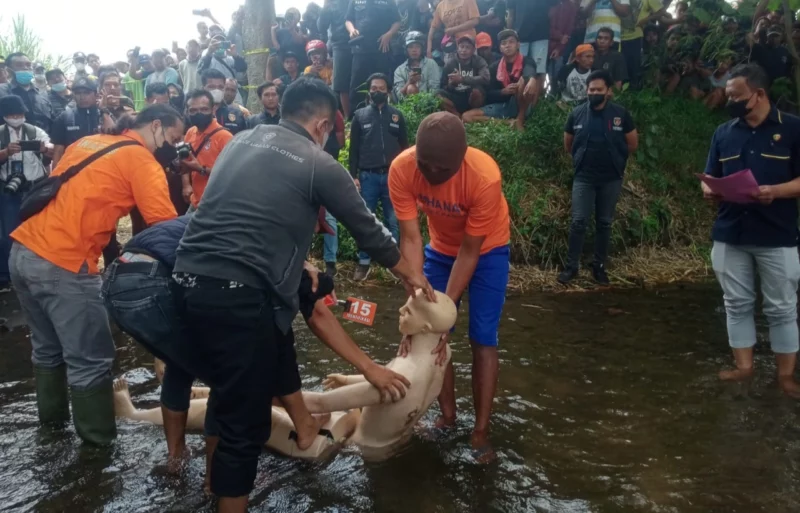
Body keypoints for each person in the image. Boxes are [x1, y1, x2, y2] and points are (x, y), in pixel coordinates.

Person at [170, 77, 432, 512]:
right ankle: (229, 496)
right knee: (244, 429)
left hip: (186, 282)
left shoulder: (239, 141)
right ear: (323, 124)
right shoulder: (317, 161)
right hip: (240, 297)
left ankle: (211, 490)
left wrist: (299, 261)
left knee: (227, 391)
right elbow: (368, 230)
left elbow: (235, 214)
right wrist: (410, 275)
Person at [9, 104, 181, 445]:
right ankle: (98, 452)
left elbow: (76, 191)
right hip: (64, 262)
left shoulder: (88, 142)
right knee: (90, 361)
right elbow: (166, 227)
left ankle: (52, 437)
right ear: (157, 126)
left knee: (47, 351)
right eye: (171, 139)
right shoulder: (142, 161)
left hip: (23, 252)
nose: (170, 147)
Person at [388, 111, 510, 462]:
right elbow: (410, 238)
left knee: (482, 337)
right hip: (440, 250)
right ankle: (448, 416)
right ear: (415, 153)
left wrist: (444, 312)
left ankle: (481, 431)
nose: (433, 174)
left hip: (487, 251)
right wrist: (417, 307)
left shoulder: (483, 176)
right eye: (426, 165)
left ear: (461, 158)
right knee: (430, 336)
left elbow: (471, 251)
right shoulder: (402, 168)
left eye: (444, 169)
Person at [701, 64, 800, 396]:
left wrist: (776, 191)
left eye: (736, 96)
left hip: (776, 232)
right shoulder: (724, 132)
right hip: (731, 230)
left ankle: (786, 377)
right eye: (728, 95)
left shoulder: (793, 130)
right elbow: (710, 174)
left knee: (782, 306)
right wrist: (709, 190)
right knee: (736, 302)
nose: (730, 101)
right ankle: (744, 367)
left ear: (759, 94)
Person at [302, 289, 459, 459]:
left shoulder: (400, 378)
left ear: (425, 327)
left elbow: (318, 403)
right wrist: (347, 380)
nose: (400, 310)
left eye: (408, 311)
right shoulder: (443, 355)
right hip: (403, 438)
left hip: (365, 450)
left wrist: (272, 391)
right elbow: (381, 381)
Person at [559, 69, 638, 285]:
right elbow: (569, 144)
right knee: (578, 222)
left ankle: (599, 267)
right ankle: (571, 267)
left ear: (608, 92)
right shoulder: (576, 113)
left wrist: (616, 159)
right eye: (591, 89)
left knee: (604, 223)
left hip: (611, 177)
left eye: (598, 90)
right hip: (584, 177)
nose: (594, 93)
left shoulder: (620, 114)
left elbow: (632, 144)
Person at [350, 73, 409, 282]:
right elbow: (353, 150)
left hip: (393, 177)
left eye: (381, 88)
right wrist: (353, 175)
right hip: (368, 177)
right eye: (373, 88)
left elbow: (405, 148)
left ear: (388, 90)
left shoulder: (397, 116)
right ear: (369, 91)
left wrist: (406, 175)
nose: (377, 91)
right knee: (366, 221)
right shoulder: (359, 116)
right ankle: (363, 263)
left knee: (393, 221)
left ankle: (394, 265)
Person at [0, 95, 52, 291]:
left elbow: (51, 150)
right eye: (12, 114)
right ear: (4, 116)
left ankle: (40, 272)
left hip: (34, 187)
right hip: (9, 189)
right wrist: (5, 152)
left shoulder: (35, 131)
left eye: (19, 113)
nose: (16, 117)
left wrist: (45, 150)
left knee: (40, 231)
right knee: (8, 234)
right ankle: (8, 276)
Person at [462, 29, 537, 131]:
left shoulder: (526, 60)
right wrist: (503, 92)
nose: (507, 45)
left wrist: (532, 79)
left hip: (522, 104)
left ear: (518, 45)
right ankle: (508, 122)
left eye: (511, 42)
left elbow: (530, 69)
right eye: (504, 43)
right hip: (503, 105)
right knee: (466, 116)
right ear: (500, 48)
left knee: (524, 80)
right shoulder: (494, 67)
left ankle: (520, 119)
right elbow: (488, 93)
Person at [180, 89, 234, 212]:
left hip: (216, 205)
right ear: (187, 112)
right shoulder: (190, 132)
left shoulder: (224, 137)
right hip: (196, 201)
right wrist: (186, 185)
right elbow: (185, 161)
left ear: (213, 109)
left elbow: (231, 174)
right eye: (193, 110)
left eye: (204, 109)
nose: (199, 114)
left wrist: (200, 169)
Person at [345, 0, 401, 111]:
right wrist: (352, 30)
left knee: (382, 83)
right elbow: (348, 20)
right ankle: (354, 117)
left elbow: (397, 22)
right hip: (360, 50)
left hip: (381, 49)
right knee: (357, 85)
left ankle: (383, 113)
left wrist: (389, 34)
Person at [50, 78, 102, 166]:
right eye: (78, 93)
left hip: (101, 167)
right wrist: (55, 178)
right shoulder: (64, 117)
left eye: (86, 93)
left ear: (96, 95)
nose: (82, 97)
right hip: (73, 169)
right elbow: (58, 152)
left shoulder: (104, 116)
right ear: (73, 95)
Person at [507, 0, 555, 93]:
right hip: (520, 35)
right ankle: (516, 100)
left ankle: (536, 103)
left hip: (541, 34)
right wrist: (510, 35)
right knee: (518, 69)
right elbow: (510, 14)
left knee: (539, 70)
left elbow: (553, 10)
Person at [0, 53, 54, 134]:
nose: (25, 68)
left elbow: (51, 122)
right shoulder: (2, 92)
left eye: (28, 65)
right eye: (19, 65)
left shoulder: (42, 95)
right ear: (9, 70)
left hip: (44, 143)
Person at [438, 34, 490, 116]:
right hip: (456, 95)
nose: (464, 50)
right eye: (461, 47)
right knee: (438, 94)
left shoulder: (479, 61)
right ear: (457, 48)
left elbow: (486, 78)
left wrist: (463, 79)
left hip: (472, 95)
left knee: (477, 92)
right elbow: (442, 86)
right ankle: (456, 115)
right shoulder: (450, 63)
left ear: (473, 50)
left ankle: (472, 114)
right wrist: (451, 84)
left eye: (467, 47)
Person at [619, 0, 664, 89]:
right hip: (618, 37)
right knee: (621, 68)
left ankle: (634, 94)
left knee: (635, 68)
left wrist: (646, 19)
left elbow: (661, 11)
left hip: (635, 37)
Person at [319, 0, 353, 117]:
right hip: (340, 45)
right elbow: (321, 26)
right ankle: (348, 118)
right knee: (342, 83)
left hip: (360, 43)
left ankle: (362, 114)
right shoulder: (331, 3)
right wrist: (325, 6)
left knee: (359, 80)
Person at [394, 31, 442, 100]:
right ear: (406, 50)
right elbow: (399, 97)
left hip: (429, 102)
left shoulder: (431, 64)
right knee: (411, 88)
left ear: (422, 49)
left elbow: (434, 89)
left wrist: (424, 103)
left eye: (417, 47)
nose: (414, 50)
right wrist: (409, 82)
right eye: (410, 47)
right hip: (409, 105)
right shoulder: (399, 70)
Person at [198, 35, 246, 106]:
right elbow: (200, 70)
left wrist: (235, 55)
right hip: (215, 93)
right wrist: (209, 52)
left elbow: (243, 68)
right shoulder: (207, 58)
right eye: (216, 43)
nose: (219, 45)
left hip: (232, 94)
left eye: (222, 43)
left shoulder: (231, 59)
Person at [202, 69, 248, 135]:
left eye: (220, 87)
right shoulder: (195, 113)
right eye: (211, 87)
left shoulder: (237, 114)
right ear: (203, 89)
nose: (216, 90)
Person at [548, 0, 579, 84]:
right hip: (541, 44)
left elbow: (568, 32)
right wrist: (559, 36)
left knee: (555, 78)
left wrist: (559, 48)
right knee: (538, 76)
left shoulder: (571, 6)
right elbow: (544, 27)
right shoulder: (546, 3)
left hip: (560, 48)